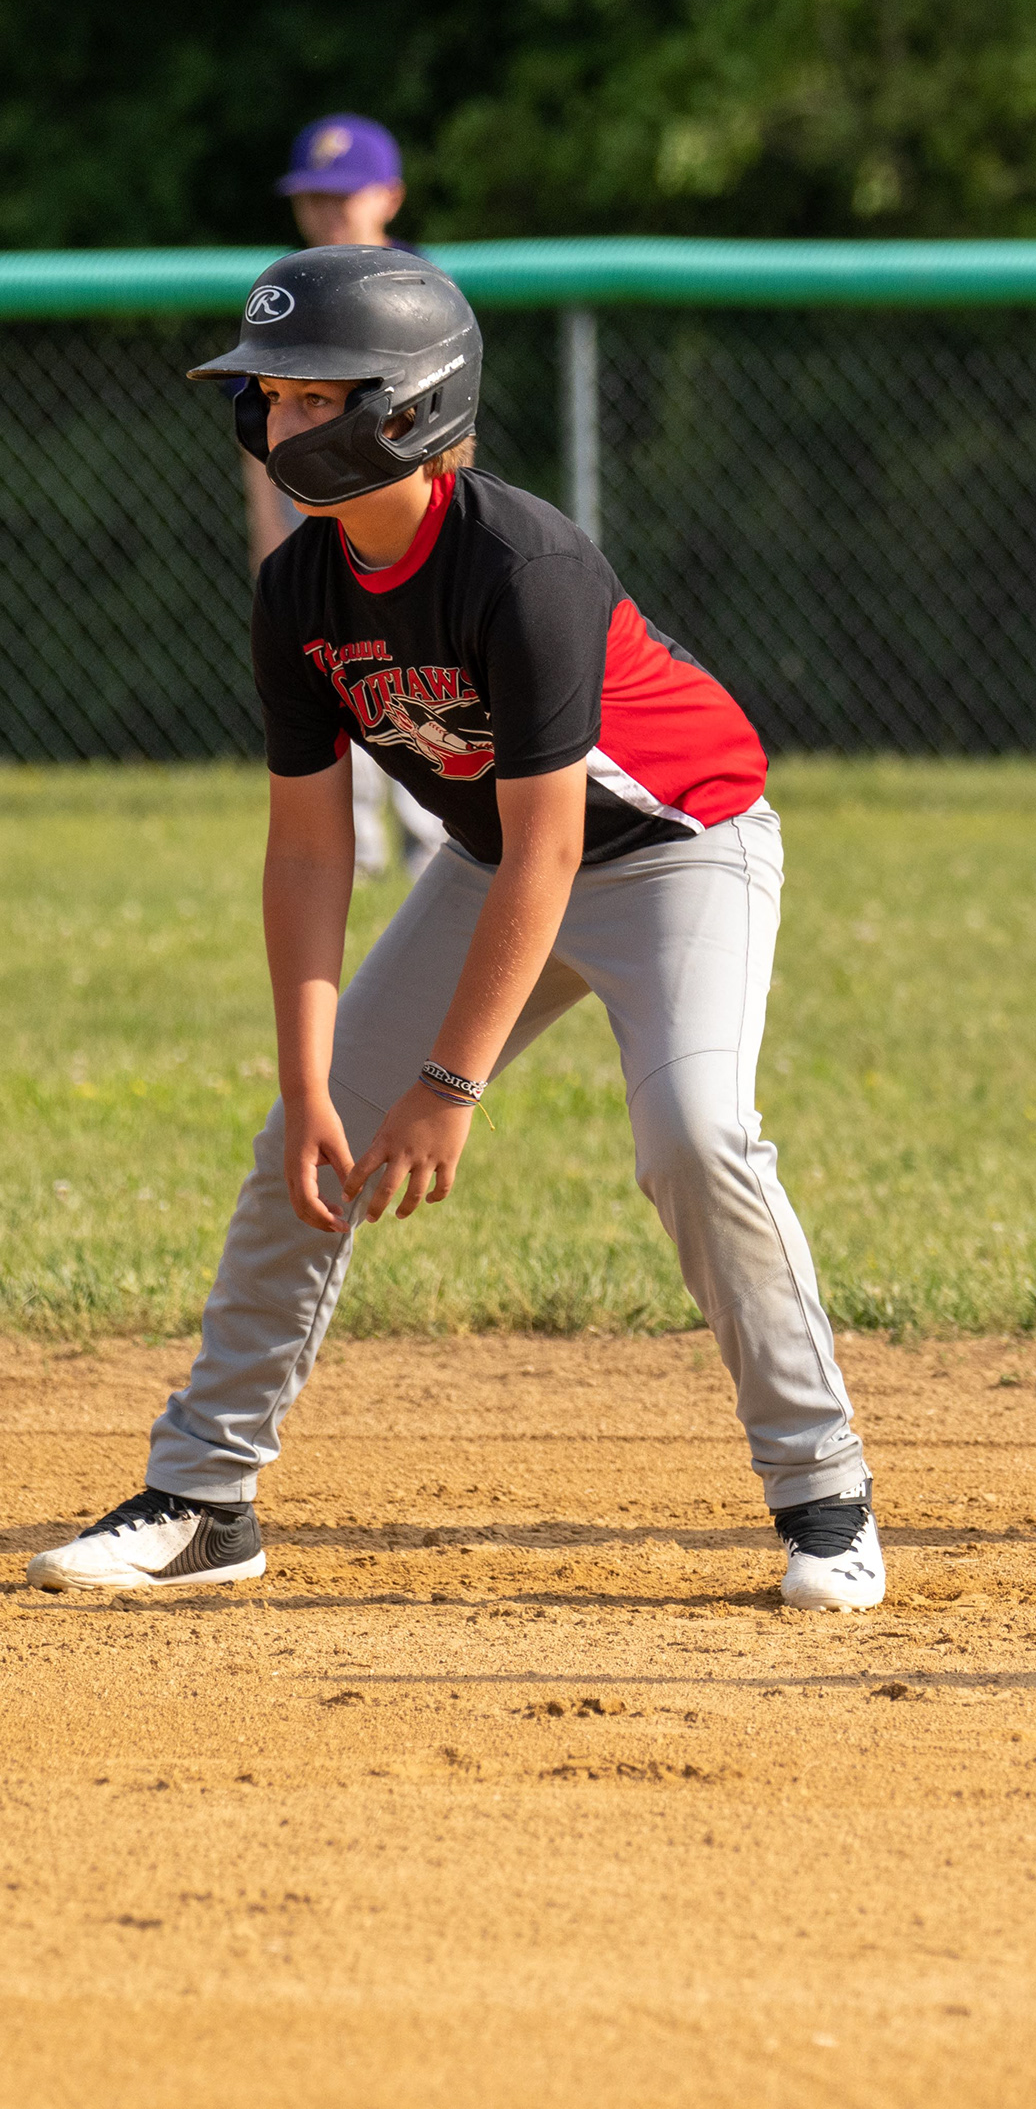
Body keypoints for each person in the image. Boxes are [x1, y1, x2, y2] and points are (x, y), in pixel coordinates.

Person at [25, 246, 884, 1610]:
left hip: (680, 848)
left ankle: (824, 1498)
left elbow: (559, 844)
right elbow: (310, 847)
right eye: (270, 398)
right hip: (496, 862)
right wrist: (312, 1077)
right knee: (299, 1147)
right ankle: (204, 1498)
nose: (280, 424)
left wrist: (450, 1080)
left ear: (412, 407)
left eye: (316, 398)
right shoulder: (299, 591)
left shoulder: (522, 563)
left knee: (696, 1133)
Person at [246, 113, 441, 883]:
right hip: (309, 517)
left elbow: (447, 423)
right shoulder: (287, 290)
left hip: (406, 519)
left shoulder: (422, 286)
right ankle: (352, 850)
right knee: (334, 675)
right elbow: (255, 430)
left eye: (343, 194)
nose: (326, 211)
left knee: (422, 673)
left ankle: (435, 843)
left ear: (389, 196)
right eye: (312, 196)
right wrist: (269, 532)